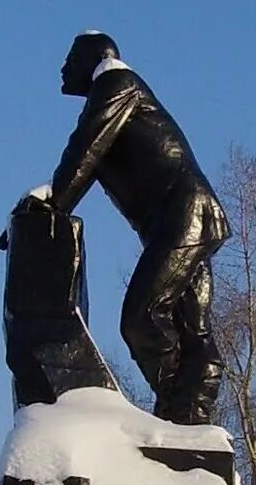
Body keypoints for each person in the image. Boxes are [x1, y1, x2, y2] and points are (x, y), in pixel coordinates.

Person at [34, 31, 230, 425]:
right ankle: (188, 414)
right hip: (182, 219)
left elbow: (84, 152)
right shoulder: (115, 92)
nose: (63, 68)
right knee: (191, 328)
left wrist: (51, 207)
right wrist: (42, 211)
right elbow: (88, 162)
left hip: (185, 215)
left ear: (94, 57)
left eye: (70, 59)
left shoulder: (115, 83)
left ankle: (180, 410)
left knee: (142, 317)